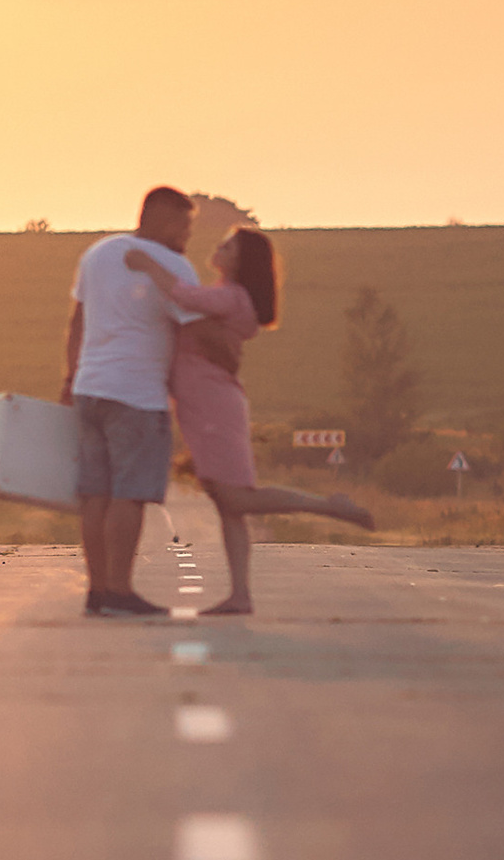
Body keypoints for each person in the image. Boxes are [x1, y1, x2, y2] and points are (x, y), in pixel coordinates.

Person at [124, 222, 371, 615]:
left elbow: (183, 295)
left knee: (237, 497)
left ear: (241, 261)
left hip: (212, 405)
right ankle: (240, 595)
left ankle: (329, 506)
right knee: (229, 505)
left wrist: (147, 265)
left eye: (228, 246)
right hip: (203, 403)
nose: (218, 249)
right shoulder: (228, 295)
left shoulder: (232, 297)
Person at [61, 185, 197, 616]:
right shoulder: (175, 267)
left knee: (94, 496)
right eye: (183, 224)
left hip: (90, 388)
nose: (186, 235)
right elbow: (192, 331)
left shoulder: (97, 253)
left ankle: (97, 592)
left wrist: (71, 376)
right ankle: (121, 591)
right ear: (162, 220)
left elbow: (77, 321)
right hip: (137, 394)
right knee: (128, 495)